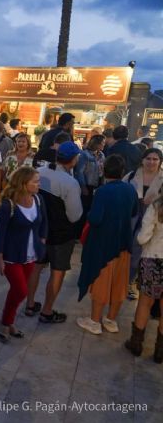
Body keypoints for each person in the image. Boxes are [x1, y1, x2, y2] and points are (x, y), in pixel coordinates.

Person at [76, 155, 138, 335]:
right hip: (124, 243)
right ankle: (111, 320)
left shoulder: (102, 191)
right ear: (122, 171)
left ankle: (95, 321)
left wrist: (88, 215)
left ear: (103, 170)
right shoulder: (131, 189)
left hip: (104, 245)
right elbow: (134, 212)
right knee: (120, 283)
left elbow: (95, 218)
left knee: (101, 282)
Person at [26, 142, 83, 323]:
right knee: (57, 271)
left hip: (39, 231)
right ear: (73, 160)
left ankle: (29, 304)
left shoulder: (39, 173)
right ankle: (47, 311)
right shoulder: (70, 183)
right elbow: (74, 216)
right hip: (61, 235)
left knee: (36, 267)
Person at [0, 167, 47, 342]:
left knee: (17, 290)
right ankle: (6, 322)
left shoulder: (38, 200)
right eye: (35, 181)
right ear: (24, 184)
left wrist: (42, 240)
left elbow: (44, 222)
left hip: (31, 255)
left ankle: (8, 322)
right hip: (11, 255)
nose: (39, 184)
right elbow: (0, 233)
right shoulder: (8, 205)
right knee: (21, 290)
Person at [125, 190, 163, 362]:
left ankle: (136, 344)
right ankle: (160, 351)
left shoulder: (156, 206)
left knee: (145, 302)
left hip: (153, 258)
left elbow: (142, 238)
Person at [124, 148, 163, 300]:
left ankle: (130, 283)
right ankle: (123, 282)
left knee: (140, 253)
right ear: (142, 160)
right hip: (130, 218)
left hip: (153, 223)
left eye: (155, 159)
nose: (151, 162)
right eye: (148, 158)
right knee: (126, 252)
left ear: (160, 162)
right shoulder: (131, 175)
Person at [74, 134, 106, 236]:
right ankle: (79, 232)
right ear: (96, 143)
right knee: (84, 209)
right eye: (102, 143)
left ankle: (88, 231)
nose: (104, 145)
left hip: (98, 185)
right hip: (87, 185)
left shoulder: (102, 155)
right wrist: (83, 186)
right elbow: (80, 172)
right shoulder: (84, 155)